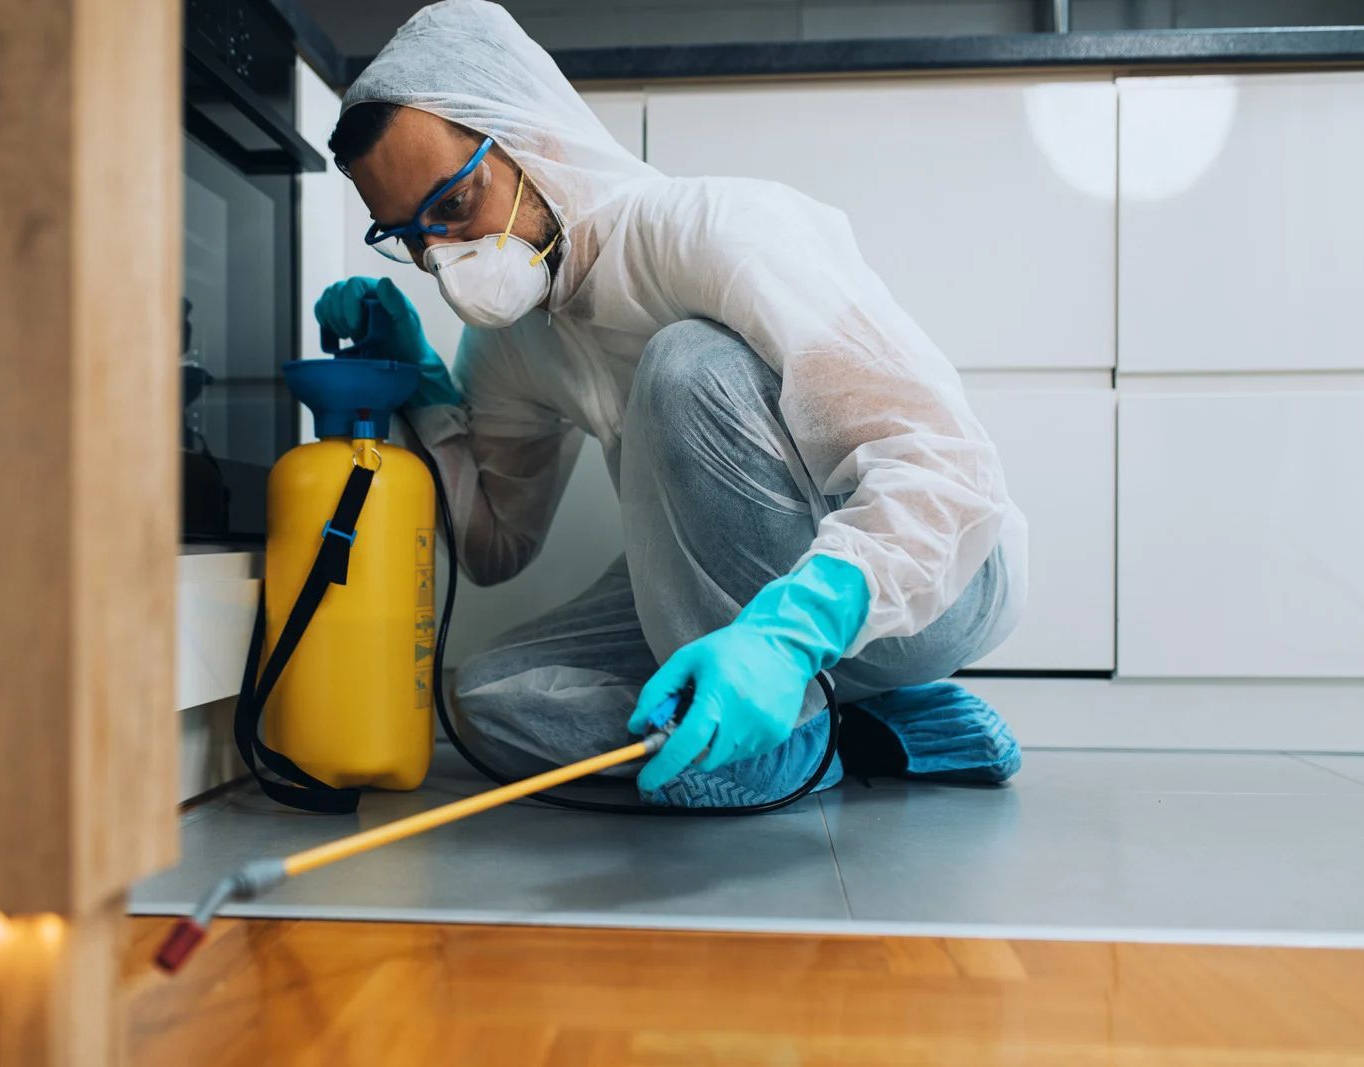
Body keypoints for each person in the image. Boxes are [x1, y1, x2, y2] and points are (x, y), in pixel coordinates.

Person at [315, 0, 1028, 808]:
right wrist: (426, 387)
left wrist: (789, 635)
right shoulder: (512, 338)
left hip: (923, 584)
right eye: (410, 237)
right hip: (721, 600)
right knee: (491, 700)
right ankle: (864, 726)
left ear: (531, 133)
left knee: (684, 363)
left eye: (455, 204)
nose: (445, 258)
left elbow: (949, 470)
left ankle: (790, 713)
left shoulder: (717, 232)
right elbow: (496, 548)